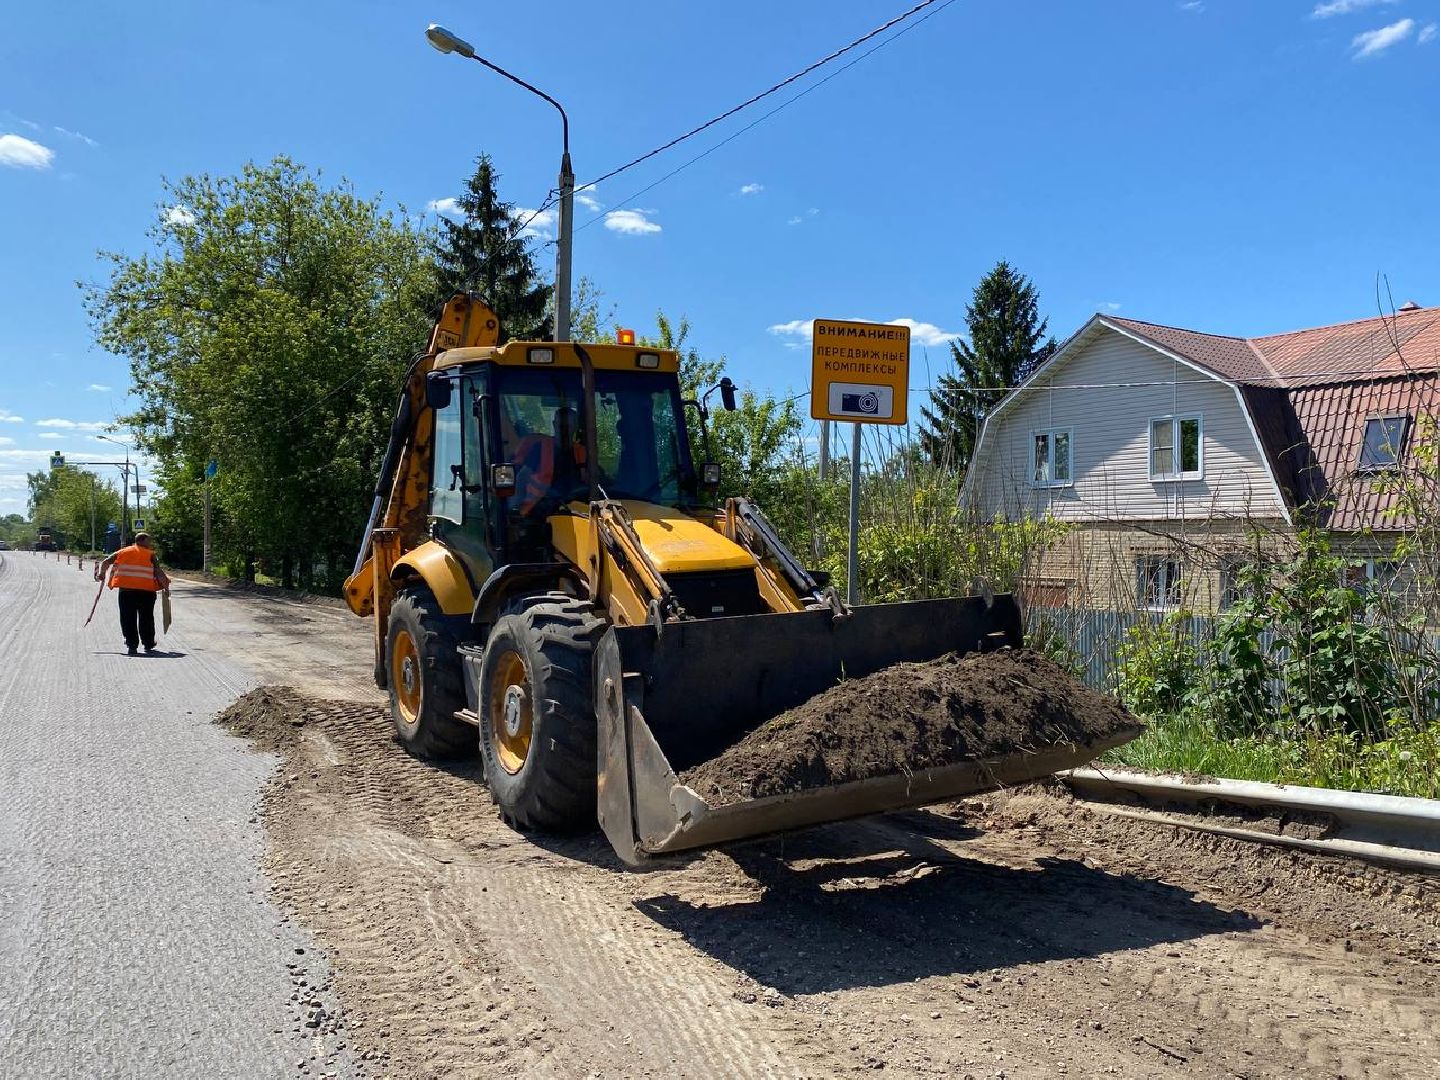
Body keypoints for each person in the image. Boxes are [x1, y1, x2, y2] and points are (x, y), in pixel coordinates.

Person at [95, 532, 171, 656]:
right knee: (146, 618)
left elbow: (105, 562)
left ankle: (132, 646)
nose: (150, 544)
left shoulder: (122, 552)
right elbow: (158, 572)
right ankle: (148, 643)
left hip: (126, 592)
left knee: (127, 618)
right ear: (141, 541)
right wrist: (165, 586)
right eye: (148, 541)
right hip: (146, 592)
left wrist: (102, 574)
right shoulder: (150, 554)